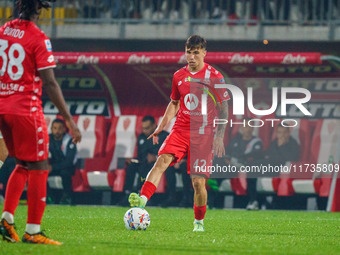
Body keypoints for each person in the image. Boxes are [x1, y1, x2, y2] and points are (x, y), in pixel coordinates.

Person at [128, 35, 229, 232]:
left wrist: (219, 136)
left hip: (204, 134)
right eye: (188, 52)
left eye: (196, 53)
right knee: (161, 161)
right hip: (180, 130)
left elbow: (224, 108)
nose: (191, 57)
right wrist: (161, 126)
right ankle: (142, 200)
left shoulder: (215, 77)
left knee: (198, 183)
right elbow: (174, 103)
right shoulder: (178, 76)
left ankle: (198, 222)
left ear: (204, 53)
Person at [0, 0, 81, 245]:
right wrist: (68, 118)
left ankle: (6, 220)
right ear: (39, 9)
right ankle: (33, 231)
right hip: (25, 109)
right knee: (41, 166)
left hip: (2, 106)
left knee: (22, 163)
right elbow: (50, 83)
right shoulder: (38, 38)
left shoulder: (2, 31)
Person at [120, 116, 176, 206]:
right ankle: (127, 194)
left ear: (154, 125)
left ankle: (145, 196)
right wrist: (133, 159)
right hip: (143, 163)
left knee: (149, 166)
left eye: (147, 128)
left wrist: (156, 157)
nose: (145, 131)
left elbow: (171, 154)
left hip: (158, 164)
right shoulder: (141, 137)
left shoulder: (164, 136)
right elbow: (140, 155)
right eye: (143, 128)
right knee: (131, 166)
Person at [209, 119, 263, 207]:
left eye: (250, 126)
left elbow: (255, 155)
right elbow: (226, 153)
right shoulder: (235, 141)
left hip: (246, 167)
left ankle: (253, 201)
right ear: (242, 127)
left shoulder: (256, 142)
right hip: (232, 168)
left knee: (253, 167)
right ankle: (210, 201)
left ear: (253, 128)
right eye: (245, 126)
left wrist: (236, 160)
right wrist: (227, 159)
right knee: (218, 164)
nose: (248, 129)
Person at [246, 124, 300, 210]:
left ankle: (258, 201)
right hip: (269, 166)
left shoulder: (293, 144)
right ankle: (253, 200)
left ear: (288, 133)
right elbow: (266, 154)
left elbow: (292, 158)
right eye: (279, 132)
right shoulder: (275, 142)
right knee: (251, 166)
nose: (282, 135)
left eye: (284, 132)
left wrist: (282, 146)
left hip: (281, 169)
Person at [48, 118, 77, 205]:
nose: (57, 131)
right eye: (55, 128)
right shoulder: (48, 139)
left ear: (64, 129)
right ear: (51, 129)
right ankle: (48, 197)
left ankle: (66, 197)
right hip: (54, 165)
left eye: (60, 128)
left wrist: (52, 167)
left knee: (65, 172)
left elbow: (69, 161)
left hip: (68, 167)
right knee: (41, 172)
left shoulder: (69, 140)